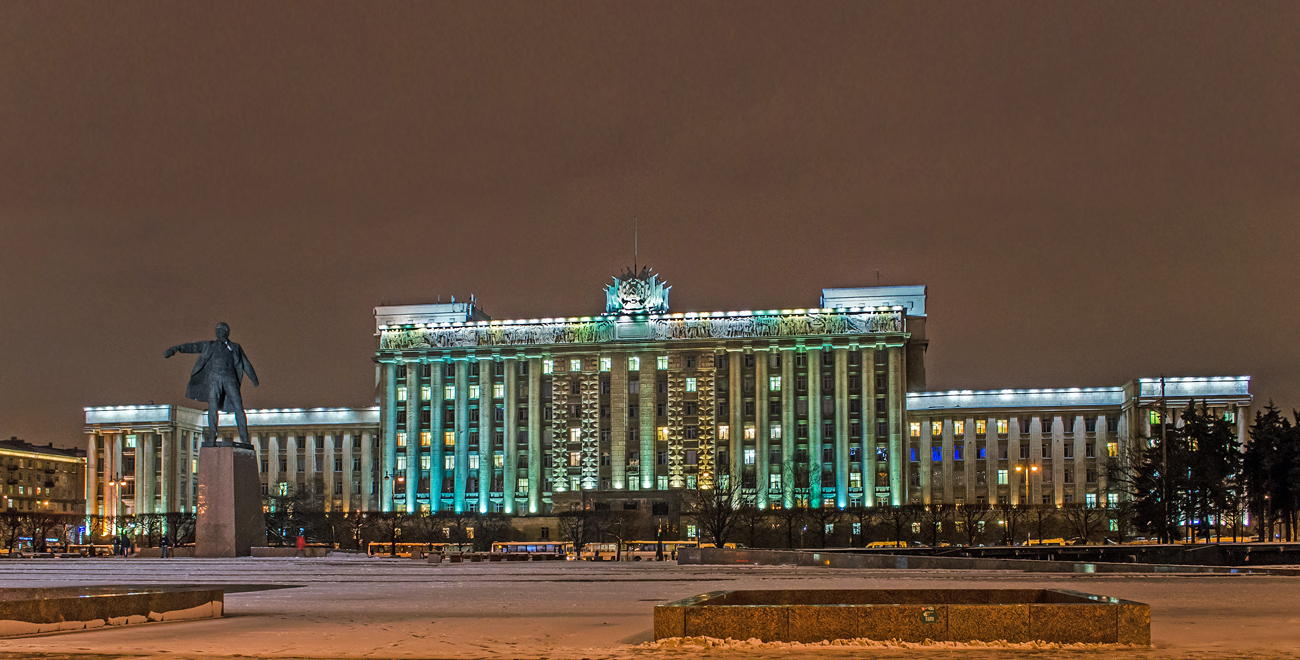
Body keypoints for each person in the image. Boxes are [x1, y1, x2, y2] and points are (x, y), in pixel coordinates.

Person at [164, 322, 259, 445]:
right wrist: (175, 349)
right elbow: (193, 347)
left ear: (226, 332)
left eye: (220, 330)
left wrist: (254, 378)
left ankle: (245, 439)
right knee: (212, 407)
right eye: (216, 330)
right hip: (213, 379)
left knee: (238, 407)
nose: (217, 332)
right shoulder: (209, 345)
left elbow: (246, 363)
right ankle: (212, 437)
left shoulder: (235, 347)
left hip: (230, 378)